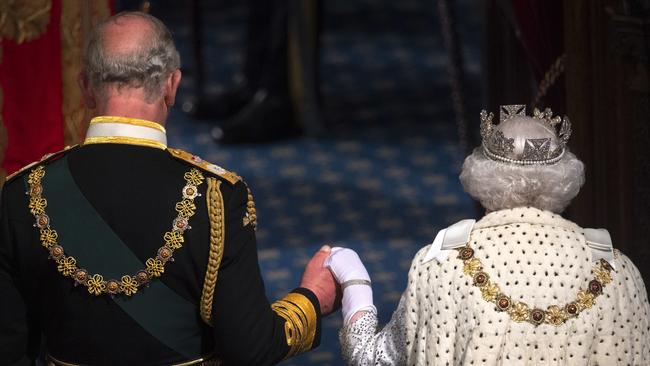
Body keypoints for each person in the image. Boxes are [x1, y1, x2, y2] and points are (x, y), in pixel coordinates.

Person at [0, 12, 337, 366]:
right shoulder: (216, 198)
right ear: (172, 86)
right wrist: (312, 299)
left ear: (85, 87)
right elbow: (249, 349)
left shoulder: (22, 194)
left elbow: (9, 351)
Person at [326, 105, 650, 365]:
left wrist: (354, 281)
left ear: (481, 176)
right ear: (565, 176)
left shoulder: (441, 265)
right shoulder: (618, 271)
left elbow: (371, 359)